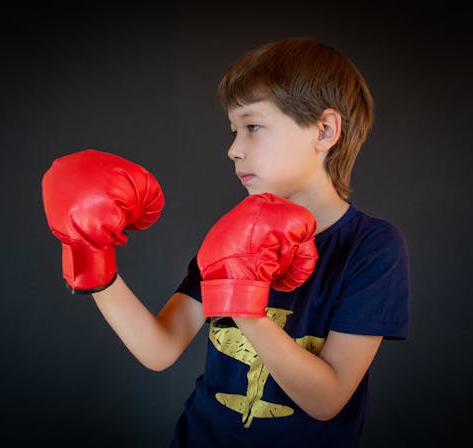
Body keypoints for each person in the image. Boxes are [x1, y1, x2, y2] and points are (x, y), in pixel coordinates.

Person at [41, 37, 410, 447]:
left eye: (252, 127)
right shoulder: (233, 232)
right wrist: (88, 251)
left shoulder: (372, 247)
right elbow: (159, 349)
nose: (233, 149)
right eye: (234, 131)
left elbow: (327, 400)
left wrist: (243, 301)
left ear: (324, 130)